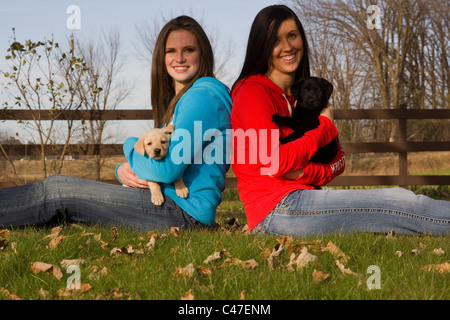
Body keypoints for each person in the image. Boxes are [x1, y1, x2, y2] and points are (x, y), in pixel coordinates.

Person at [230, 5, 449, 237]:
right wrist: (325, 127)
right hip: (277, 209)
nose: (287, 47)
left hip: (302, 196)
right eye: (275, 41)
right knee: (399, 202)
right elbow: (278, 163)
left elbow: (339, 161)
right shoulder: (252, 92)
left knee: (399, 199)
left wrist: (305, 173)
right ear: (262, 47)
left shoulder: (302, 97)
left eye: (292, 36)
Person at [0, 16, 232, 231]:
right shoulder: (183, 99)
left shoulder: (202, 97)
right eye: (171, 51)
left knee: (57, 190)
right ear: (162, 58)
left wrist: (132, 145)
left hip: (183, 212)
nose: (179, 58)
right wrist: (121, 171)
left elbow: (170, 168)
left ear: (203, 54)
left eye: (188, 50)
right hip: (172, 203)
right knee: (59, 191)